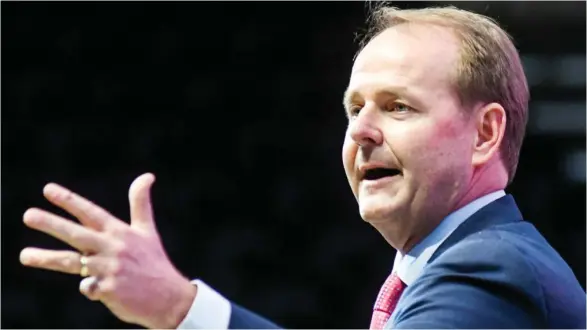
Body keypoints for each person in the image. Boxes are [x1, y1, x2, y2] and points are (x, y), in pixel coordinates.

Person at [19, 4, 586, 329]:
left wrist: (180, 308)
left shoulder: (490, 270)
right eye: (353, 108)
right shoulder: (472, 263)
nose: (360, 131)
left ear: (485, 134)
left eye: (397, 106)